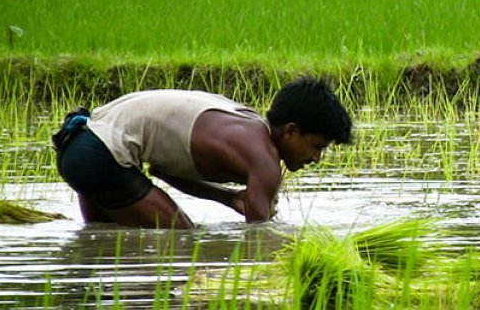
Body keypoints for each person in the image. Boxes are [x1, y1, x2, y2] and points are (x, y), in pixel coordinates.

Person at [52, 77, 352, 229]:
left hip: (78, 145)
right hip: (101, 154)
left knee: (101, 243)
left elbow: (161, 170)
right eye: (317, 146)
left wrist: (228, 198)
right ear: (290, 131)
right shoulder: (265, 160)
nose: (316, 159)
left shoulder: (242, 123)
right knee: (182, 238)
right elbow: (259, 236)